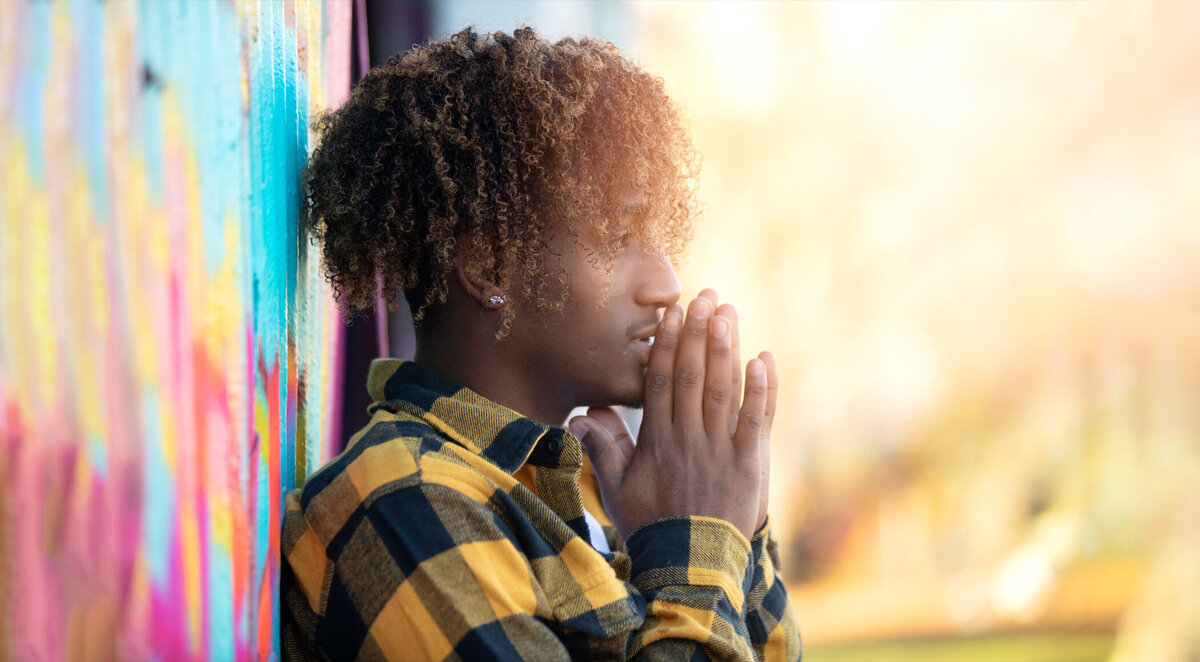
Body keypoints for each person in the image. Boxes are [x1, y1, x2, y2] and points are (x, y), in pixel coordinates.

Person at [281, 27, 802, 661]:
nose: (666, 284)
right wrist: (691, 539)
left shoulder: (598, 500)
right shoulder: (403, 500)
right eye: (616, 236)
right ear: (491, 266)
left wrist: (730, 514)